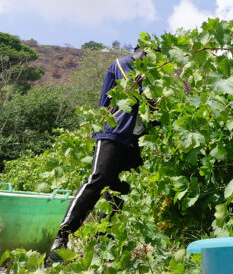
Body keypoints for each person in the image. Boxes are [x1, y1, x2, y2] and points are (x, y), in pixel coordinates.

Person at [46, 46, 153, 264]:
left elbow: (154, 108)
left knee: (120, 189)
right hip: (112, 132)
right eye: (148, 53)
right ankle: (61, 236)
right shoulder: (123, 64)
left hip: (134, 140)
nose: (152, 58)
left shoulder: (152, 77)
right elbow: (132, 88)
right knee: (99, 178)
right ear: (139, 50)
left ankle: (103, 246)